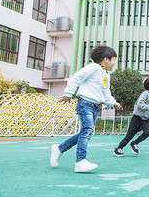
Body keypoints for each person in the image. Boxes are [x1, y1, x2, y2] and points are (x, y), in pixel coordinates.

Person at [50, 45, 121, 173]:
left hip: (95, 107)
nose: (115, 62)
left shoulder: (106, 74)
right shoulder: (93, 68)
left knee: (87, 132)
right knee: (87, 130)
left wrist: (113, 102)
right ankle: (80, 161)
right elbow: (76, 78)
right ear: (106, 59)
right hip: (85, 103)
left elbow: (106, 92)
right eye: (114, 59)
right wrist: (68, 94)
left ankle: (60, 148)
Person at [114, 78, 149, 157]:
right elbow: (139, 104)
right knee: (129, 136)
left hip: (145, 120)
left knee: (147, 132)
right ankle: (118, 149)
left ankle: (134, 143)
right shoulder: (145, 94)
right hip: (137, 119)